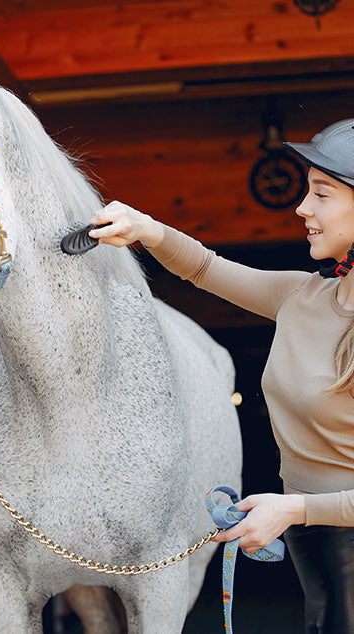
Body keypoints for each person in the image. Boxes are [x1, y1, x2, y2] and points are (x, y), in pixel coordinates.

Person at [89, 119, 354, 633]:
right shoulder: (303, 297)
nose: (303, 208)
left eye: (322, 194)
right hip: (314, 538)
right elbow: (206, 268)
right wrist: (146, 228)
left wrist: (293, 509)